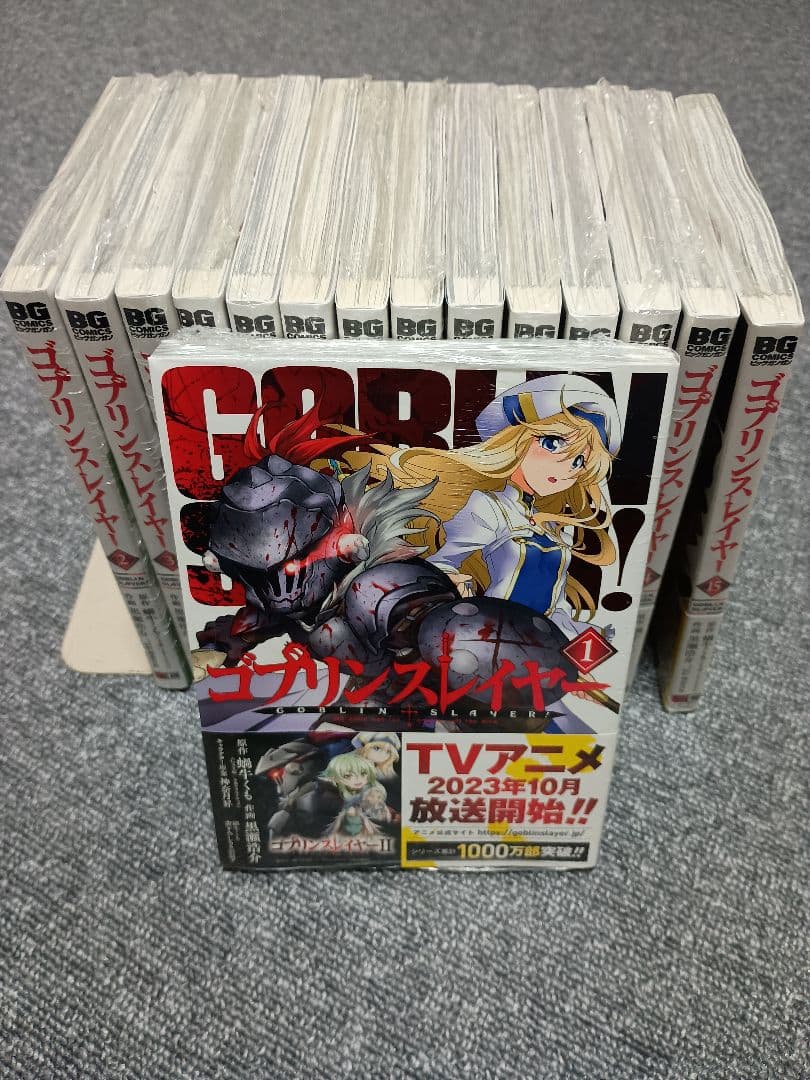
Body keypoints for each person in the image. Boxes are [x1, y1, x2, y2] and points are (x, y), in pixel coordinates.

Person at [357, 375, 621, 641]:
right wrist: (455, 588)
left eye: (579, 462)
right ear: (515, 440)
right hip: (493, 635)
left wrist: (581, 636)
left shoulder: (549, 527)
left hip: (540, 640)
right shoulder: (490, 507)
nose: (565, 468)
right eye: (552, 443)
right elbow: (442, 564)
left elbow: (555, 605)